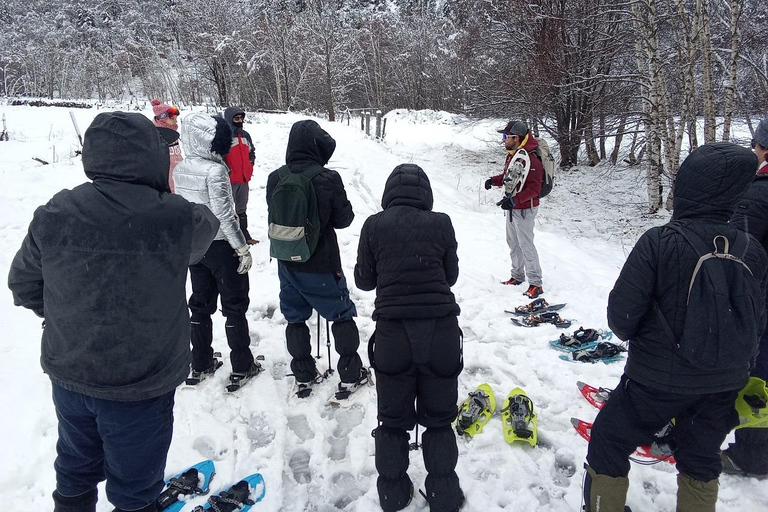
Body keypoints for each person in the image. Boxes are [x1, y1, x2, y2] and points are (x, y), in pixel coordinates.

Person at [7, 112, 220, 512]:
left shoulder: (56, 212)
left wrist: (65, 316)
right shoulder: (174, 217)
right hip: (142, 382)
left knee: (74, 470)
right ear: (150, 158)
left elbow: (22, 284)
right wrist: (167, 183)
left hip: (71, 373)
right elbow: (206, 227)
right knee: (135, 488)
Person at [584, 143, 768, 512]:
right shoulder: (753, 250)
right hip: (723, 384)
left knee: (607, 440)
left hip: (655, 383)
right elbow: (756, 324)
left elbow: (621, 320)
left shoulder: (660, 242)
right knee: (701, 457)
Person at [355, 164, 463, 512]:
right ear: (425, 194)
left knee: (393, 421)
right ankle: (444, 495)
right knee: (439, 420)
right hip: (440, 333)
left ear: (389, 193)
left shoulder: (374, 225)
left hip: (394, 334)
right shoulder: (441, 223)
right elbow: (451, 275)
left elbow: (364, 280)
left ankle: (393, 494)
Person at [266, 119, 365, 398]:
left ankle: (304, 376)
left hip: (287, 262)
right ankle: (350, 375)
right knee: (341, 314)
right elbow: (344, 220)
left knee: (295, 319)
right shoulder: (327, 178)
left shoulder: (276, 177)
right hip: (322, 263)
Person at [173, 112, 262, 388]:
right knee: (234, 306)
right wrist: (241, 247)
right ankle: (242, 365)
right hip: (222, 246)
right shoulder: (216, 171)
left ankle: (199, 362)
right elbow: (226, 213)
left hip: (196, 247)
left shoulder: (181, 169)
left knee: (200, 305)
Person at [723, 118, 768, 478]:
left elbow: (742, 256)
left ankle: (752, 455)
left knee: (758, 375)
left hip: (762, 303)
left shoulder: (758, 192)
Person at [483, 120, 544, 298]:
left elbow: (535, 190)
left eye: (505, 137)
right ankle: (517, 276)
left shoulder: (531, 158)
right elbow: (510, 177)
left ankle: (536, 283)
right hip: (513, 206)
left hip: (526, 208)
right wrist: (493, 181)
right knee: (513, 243)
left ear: (515, 138)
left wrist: (514, 201)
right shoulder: (514, 154)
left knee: (526, 245)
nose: (503, 140)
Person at [224, 106, 258, 244]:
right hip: (230, 180)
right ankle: (230, 238)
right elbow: (219, 157)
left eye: (241, 118)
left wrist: (250, 164)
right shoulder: (224, 136)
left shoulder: (245, 135)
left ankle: (245, 235)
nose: (239, 121)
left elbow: (251, 151)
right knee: (227, 210)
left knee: (242, 208)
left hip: (244, 179)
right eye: (236, 118)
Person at [151, 98, 183, 193]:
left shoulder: (172, 132)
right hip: (167, 183)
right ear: (163, 119)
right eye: (172, 119)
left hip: (179, 176)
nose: (176, 122)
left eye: (176, 119)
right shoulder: (156, 135)